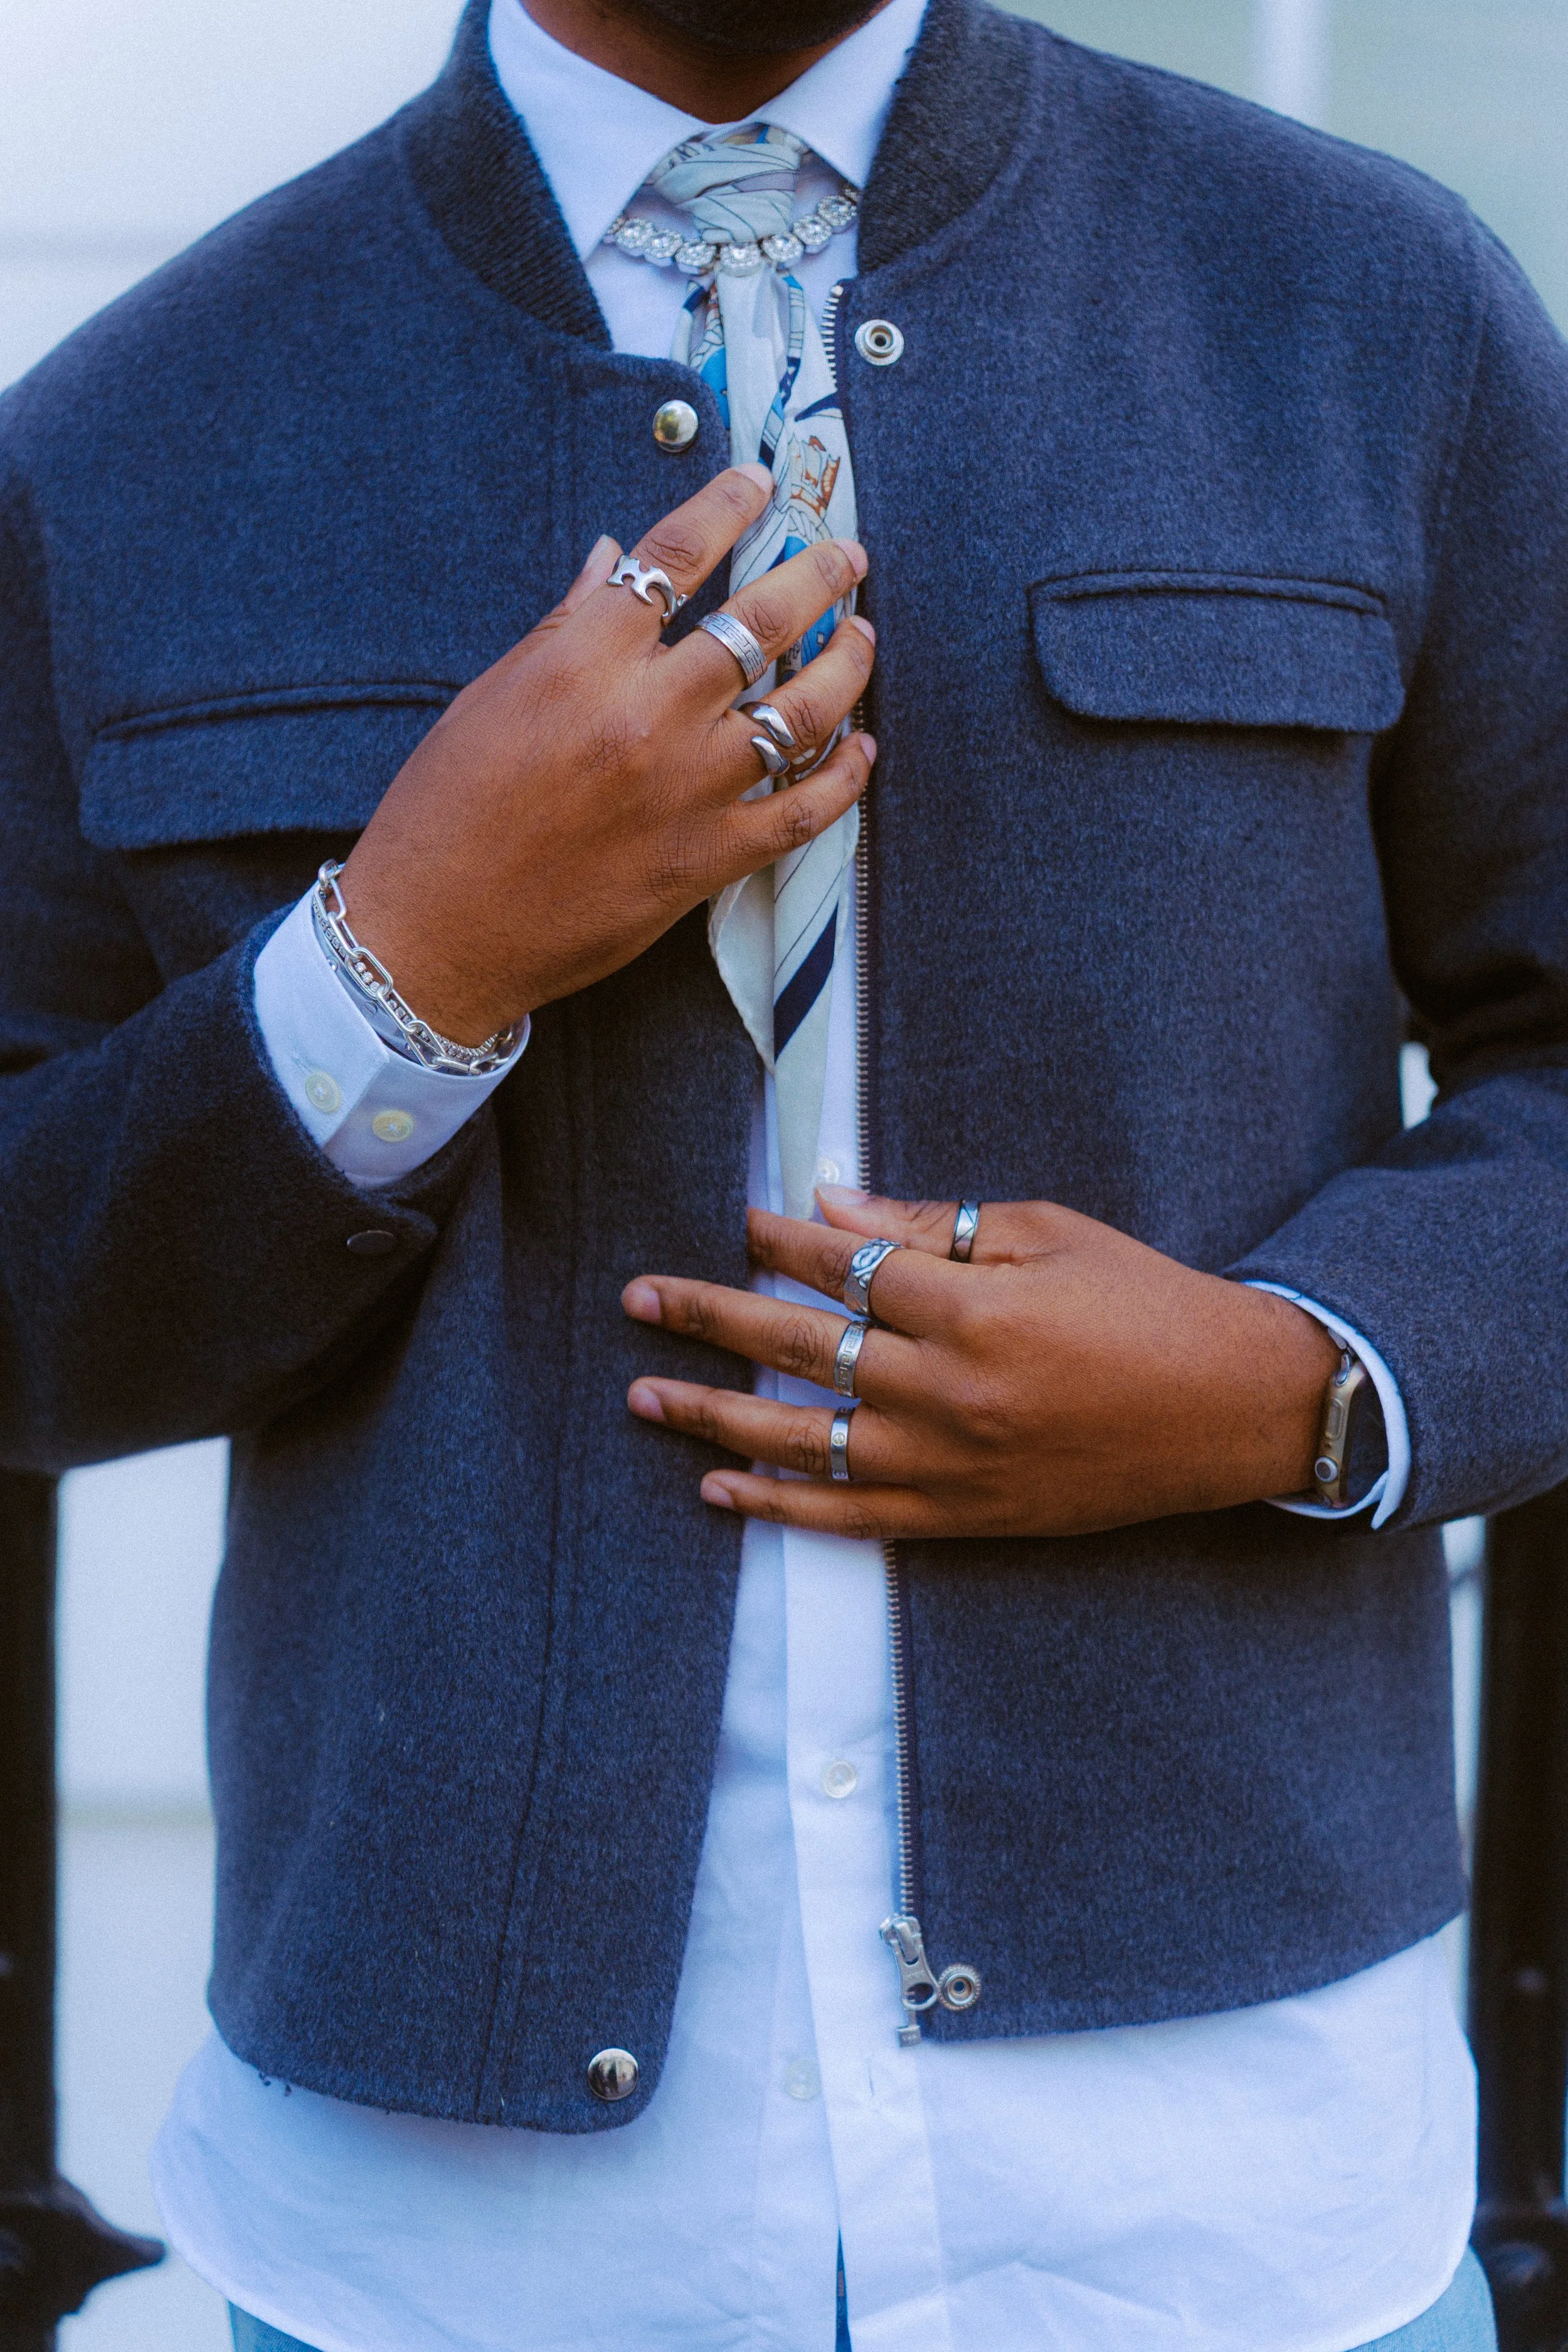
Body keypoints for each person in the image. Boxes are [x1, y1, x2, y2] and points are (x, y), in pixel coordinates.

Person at [3, 0, 1566, 2338]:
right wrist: (402, 952)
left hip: (1226, 2214)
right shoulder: (141, 426)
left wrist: (1288, 1383)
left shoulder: (1365, 304)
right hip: (448, 2258)